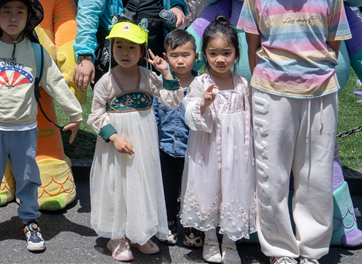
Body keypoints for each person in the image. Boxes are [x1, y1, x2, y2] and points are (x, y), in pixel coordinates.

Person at [238, 0, 351, 264]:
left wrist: (311, 70)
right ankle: (280, 250)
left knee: (316, 176)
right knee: (271, 174)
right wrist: (270, 78)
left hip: (320, 94)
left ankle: (312, 248)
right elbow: (253, 48)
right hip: (272, 94)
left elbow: (332, 44)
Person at [0, 0, 82, 253]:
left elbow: (57, 84)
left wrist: (75, 115)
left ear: (29, 18)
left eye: (20, 12)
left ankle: (29, 220)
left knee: (28, 179)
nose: (13, 17)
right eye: (6, 11)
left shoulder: (37, 52)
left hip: (25, 130)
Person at [87, 19, 183, 262]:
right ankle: (117, 237)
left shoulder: (149, 77)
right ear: (111, 49)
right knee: (116, 184)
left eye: (132, 47)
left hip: (144, 144)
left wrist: (166, 72)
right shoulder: (106, 81)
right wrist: (115, 138)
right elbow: (95, 115)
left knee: (142, 183)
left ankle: (139, 233)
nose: (125, 52)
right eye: (119, 46)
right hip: (115, 147)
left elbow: (173, 101)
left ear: (142, 52)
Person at [179, 17, 256, 263]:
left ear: (236, 54)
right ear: (204, 54)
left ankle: (231, 241)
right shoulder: (200, 83)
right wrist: (204, 103)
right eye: (213, 53)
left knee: (233, 189)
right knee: (207, 187)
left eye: (226, 53)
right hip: (207, 149)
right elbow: (189, 112)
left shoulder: (243, 84)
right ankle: (210, 238)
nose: (220, 59)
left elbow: (251, 117)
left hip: (236, 151)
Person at [152, 28, 204, 248]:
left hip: (194, 150)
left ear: (196, 56)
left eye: (185, 55)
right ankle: (169, 223)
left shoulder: (202, 84)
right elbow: (154, 114)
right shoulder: (159, 83)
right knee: (168, 189)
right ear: (165, 57)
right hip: (165, 148)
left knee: (193, 190)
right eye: (174, 56)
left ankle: (193, 228)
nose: (180, 61)